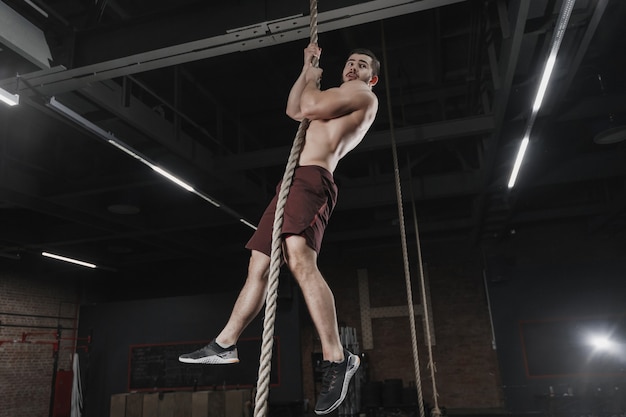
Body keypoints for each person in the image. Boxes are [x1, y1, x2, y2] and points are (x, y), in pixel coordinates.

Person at [179, 42, 380, 415]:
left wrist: (312, 82)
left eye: (362, 64)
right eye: (350, 62)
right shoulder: (334, 95)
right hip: (292, 183)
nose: (353, 67)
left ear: (373, 76)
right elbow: (294, 109)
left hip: (313, 180)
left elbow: (306, 106)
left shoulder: (360, 95)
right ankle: (225, 344)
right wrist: (307, 68)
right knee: (259, 263)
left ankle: (338, 357)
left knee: (300, 261)